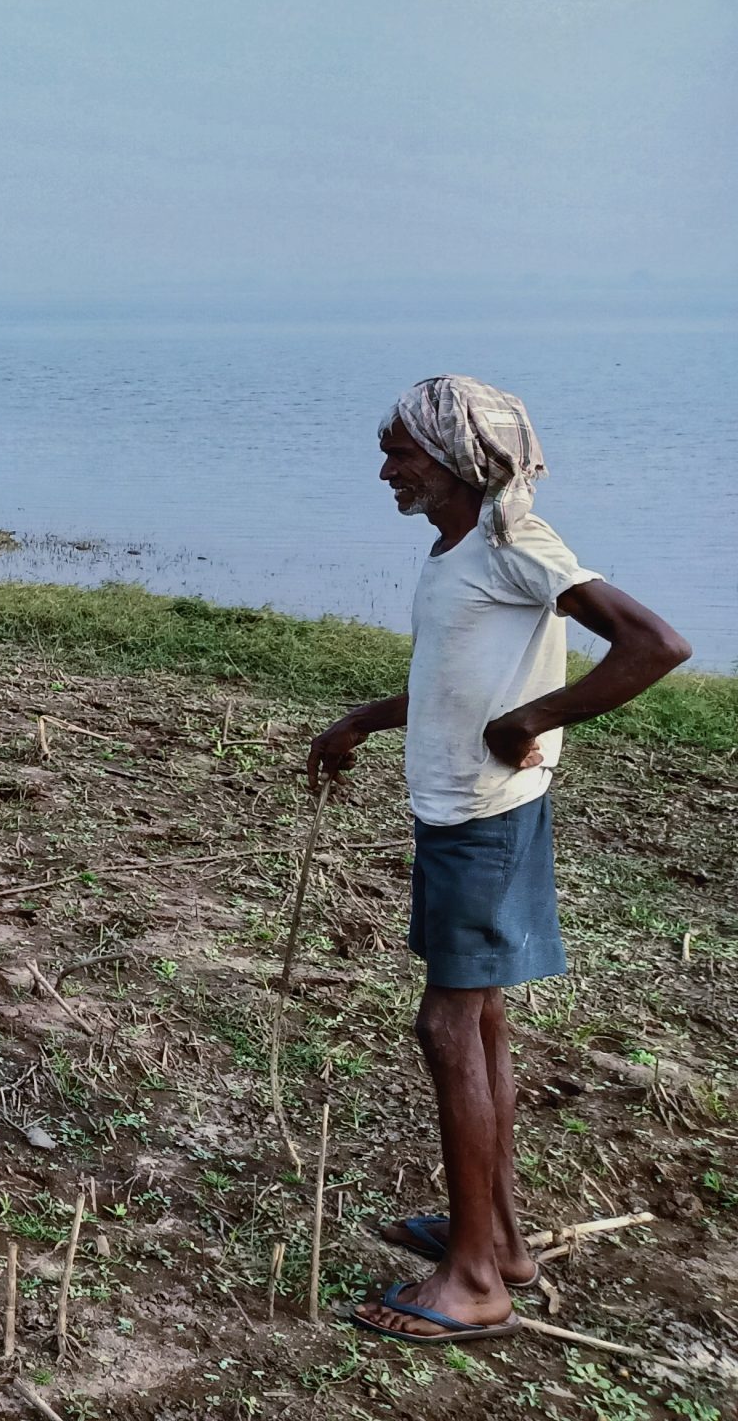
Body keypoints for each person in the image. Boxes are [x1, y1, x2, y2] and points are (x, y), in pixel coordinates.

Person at [310, 375, 688, 1346]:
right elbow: (452, 675)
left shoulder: (518, 542)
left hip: (480, 818)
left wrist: (535, 717)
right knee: (477, 1023)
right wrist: (362, 719)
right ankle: (500, 1236)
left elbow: (653, 645)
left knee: (446, 1024)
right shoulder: (461, 550)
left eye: (401, 451)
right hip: (466, 812)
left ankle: (474, 1275)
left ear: (458, 463)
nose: (385, 467)